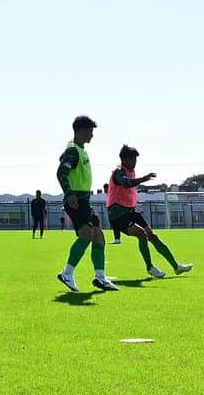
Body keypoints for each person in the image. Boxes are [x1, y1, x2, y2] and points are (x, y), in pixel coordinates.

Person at [106, 145, 192, 279]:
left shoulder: (130, 171)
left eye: (135, 160)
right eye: (132, 159)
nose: (134, 163)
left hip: (130, 212)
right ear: (124, 159)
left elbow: (133, 184)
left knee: (152, 235)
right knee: (141, 234)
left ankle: (176, 266)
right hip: (118, 214)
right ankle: (150, 267)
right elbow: (126, 183)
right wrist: (143, 179)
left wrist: (149, 183)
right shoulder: (118, 172)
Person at [55, 115, 119, 293]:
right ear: (81, 130)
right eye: (90, 131)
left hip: (84, 201)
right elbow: (61, 173)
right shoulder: (73, 150)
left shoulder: (79, 149)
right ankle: (67, 273)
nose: (92, 134)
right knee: (87, 233)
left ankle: (100, 278)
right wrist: (69, 194)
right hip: (76, 200)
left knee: (99, 236)